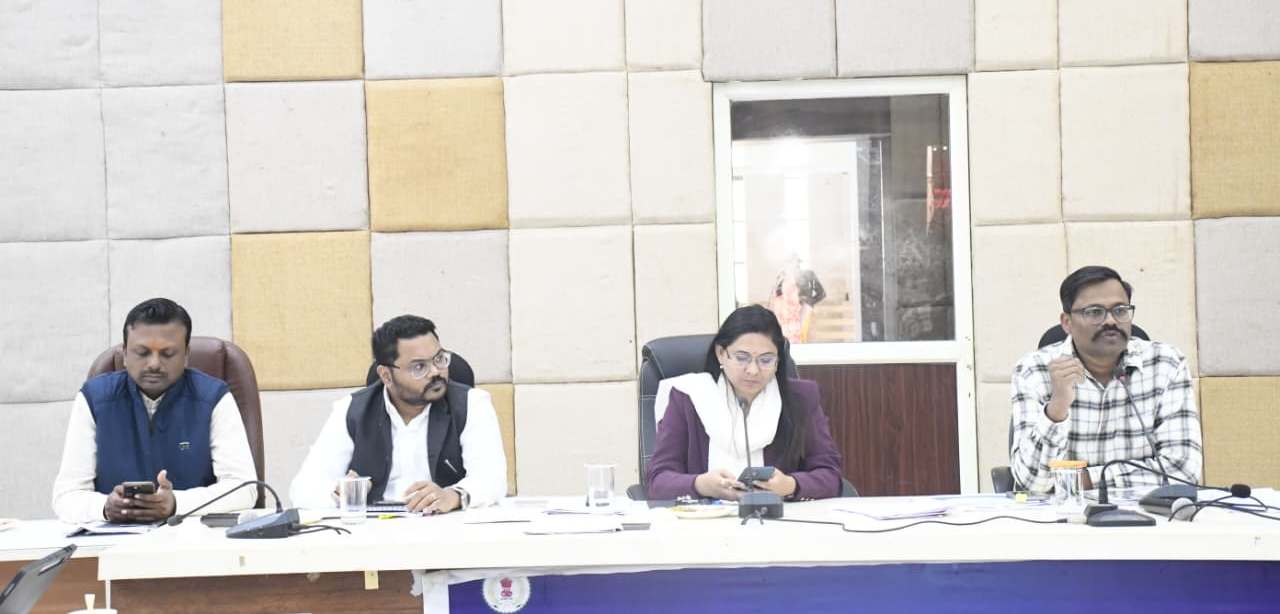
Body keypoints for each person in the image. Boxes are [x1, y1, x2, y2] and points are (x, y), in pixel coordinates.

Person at [51, 298, 258, 523]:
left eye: (167, 354)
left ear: (186, 355)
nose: (154, 364)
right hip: (114, 538)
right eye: (142, 352)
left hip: (192, 537)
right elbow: (66, 496)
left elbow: (244, 489)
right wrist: (105, 507)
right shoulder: (94, 398)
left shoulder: (213, 397)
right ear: (125, 354)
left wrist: (176, 503)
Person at [1009, 266, 1202, 493]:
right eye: (1094, 312)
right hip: (1064, 512)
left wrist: (1086, 480)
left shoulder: (1165, 364)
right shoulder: (1034, 370)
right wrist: (1057, 407)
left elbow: (1183, 471)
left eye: (1120, 310)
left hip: (1144, 511)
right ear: (1067, 322)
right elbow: (1034, 483)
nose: (1111, 321)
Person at [289, 315, 506, 513]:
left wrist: (453, 496)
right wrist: (340, 493)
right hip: (373, 532)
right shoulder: (352, 410)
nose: (435, 372)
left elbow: (492, 479)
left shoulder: (471, 404)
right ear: (386, 375)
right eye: (419, 367)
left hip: (446, 528)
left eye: (439, 359)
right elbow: (303, 490)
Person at [645, 305, 844, 501]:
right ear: (721, 353)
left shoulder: (800, 398)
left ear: (778, 361)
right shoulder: (689, 397)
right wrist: (701, 485)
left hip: (779, 518)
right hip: (706, 519)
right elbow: (658, 481)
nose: (753, 370)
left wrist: (790, 485)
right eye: (742, 358)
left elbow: (830, 476)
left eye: (766, 360)